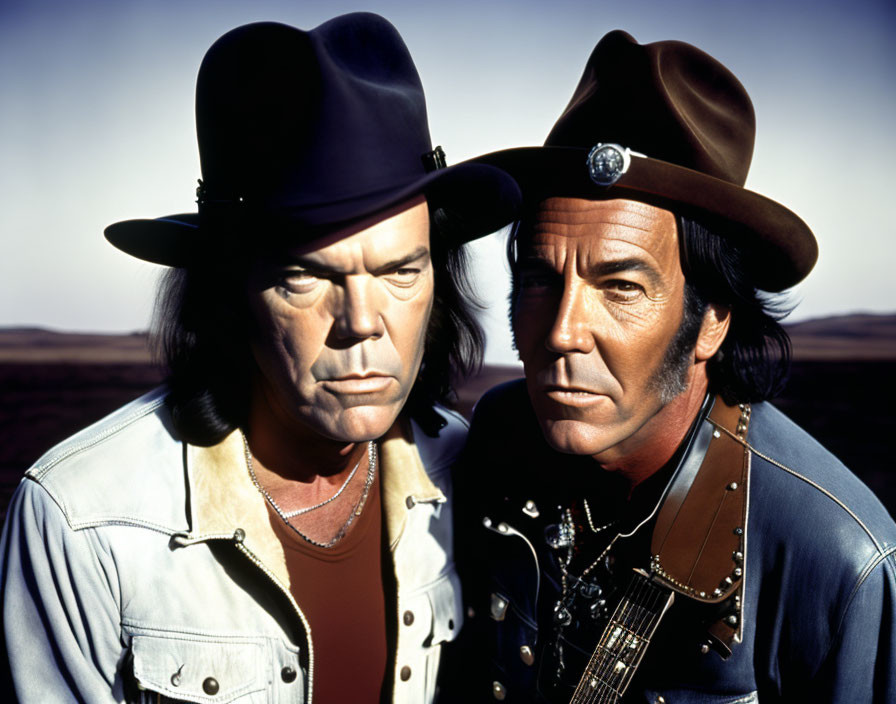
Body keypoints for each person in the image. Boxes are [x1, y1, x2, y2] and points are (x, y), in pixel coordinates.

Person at [0, 13, 519, 704]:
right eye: (306, 277)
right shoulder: (80, 519)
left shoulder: (469, 468)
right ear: (230, 293)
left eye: (400, 271)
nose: (363, 325)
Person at [454, 30, 896, 702]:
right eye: (542, 279)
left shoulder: (838, 563)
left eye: (621, 287)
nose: (563, 333)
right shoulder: (500, 439)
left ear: (712, 319)